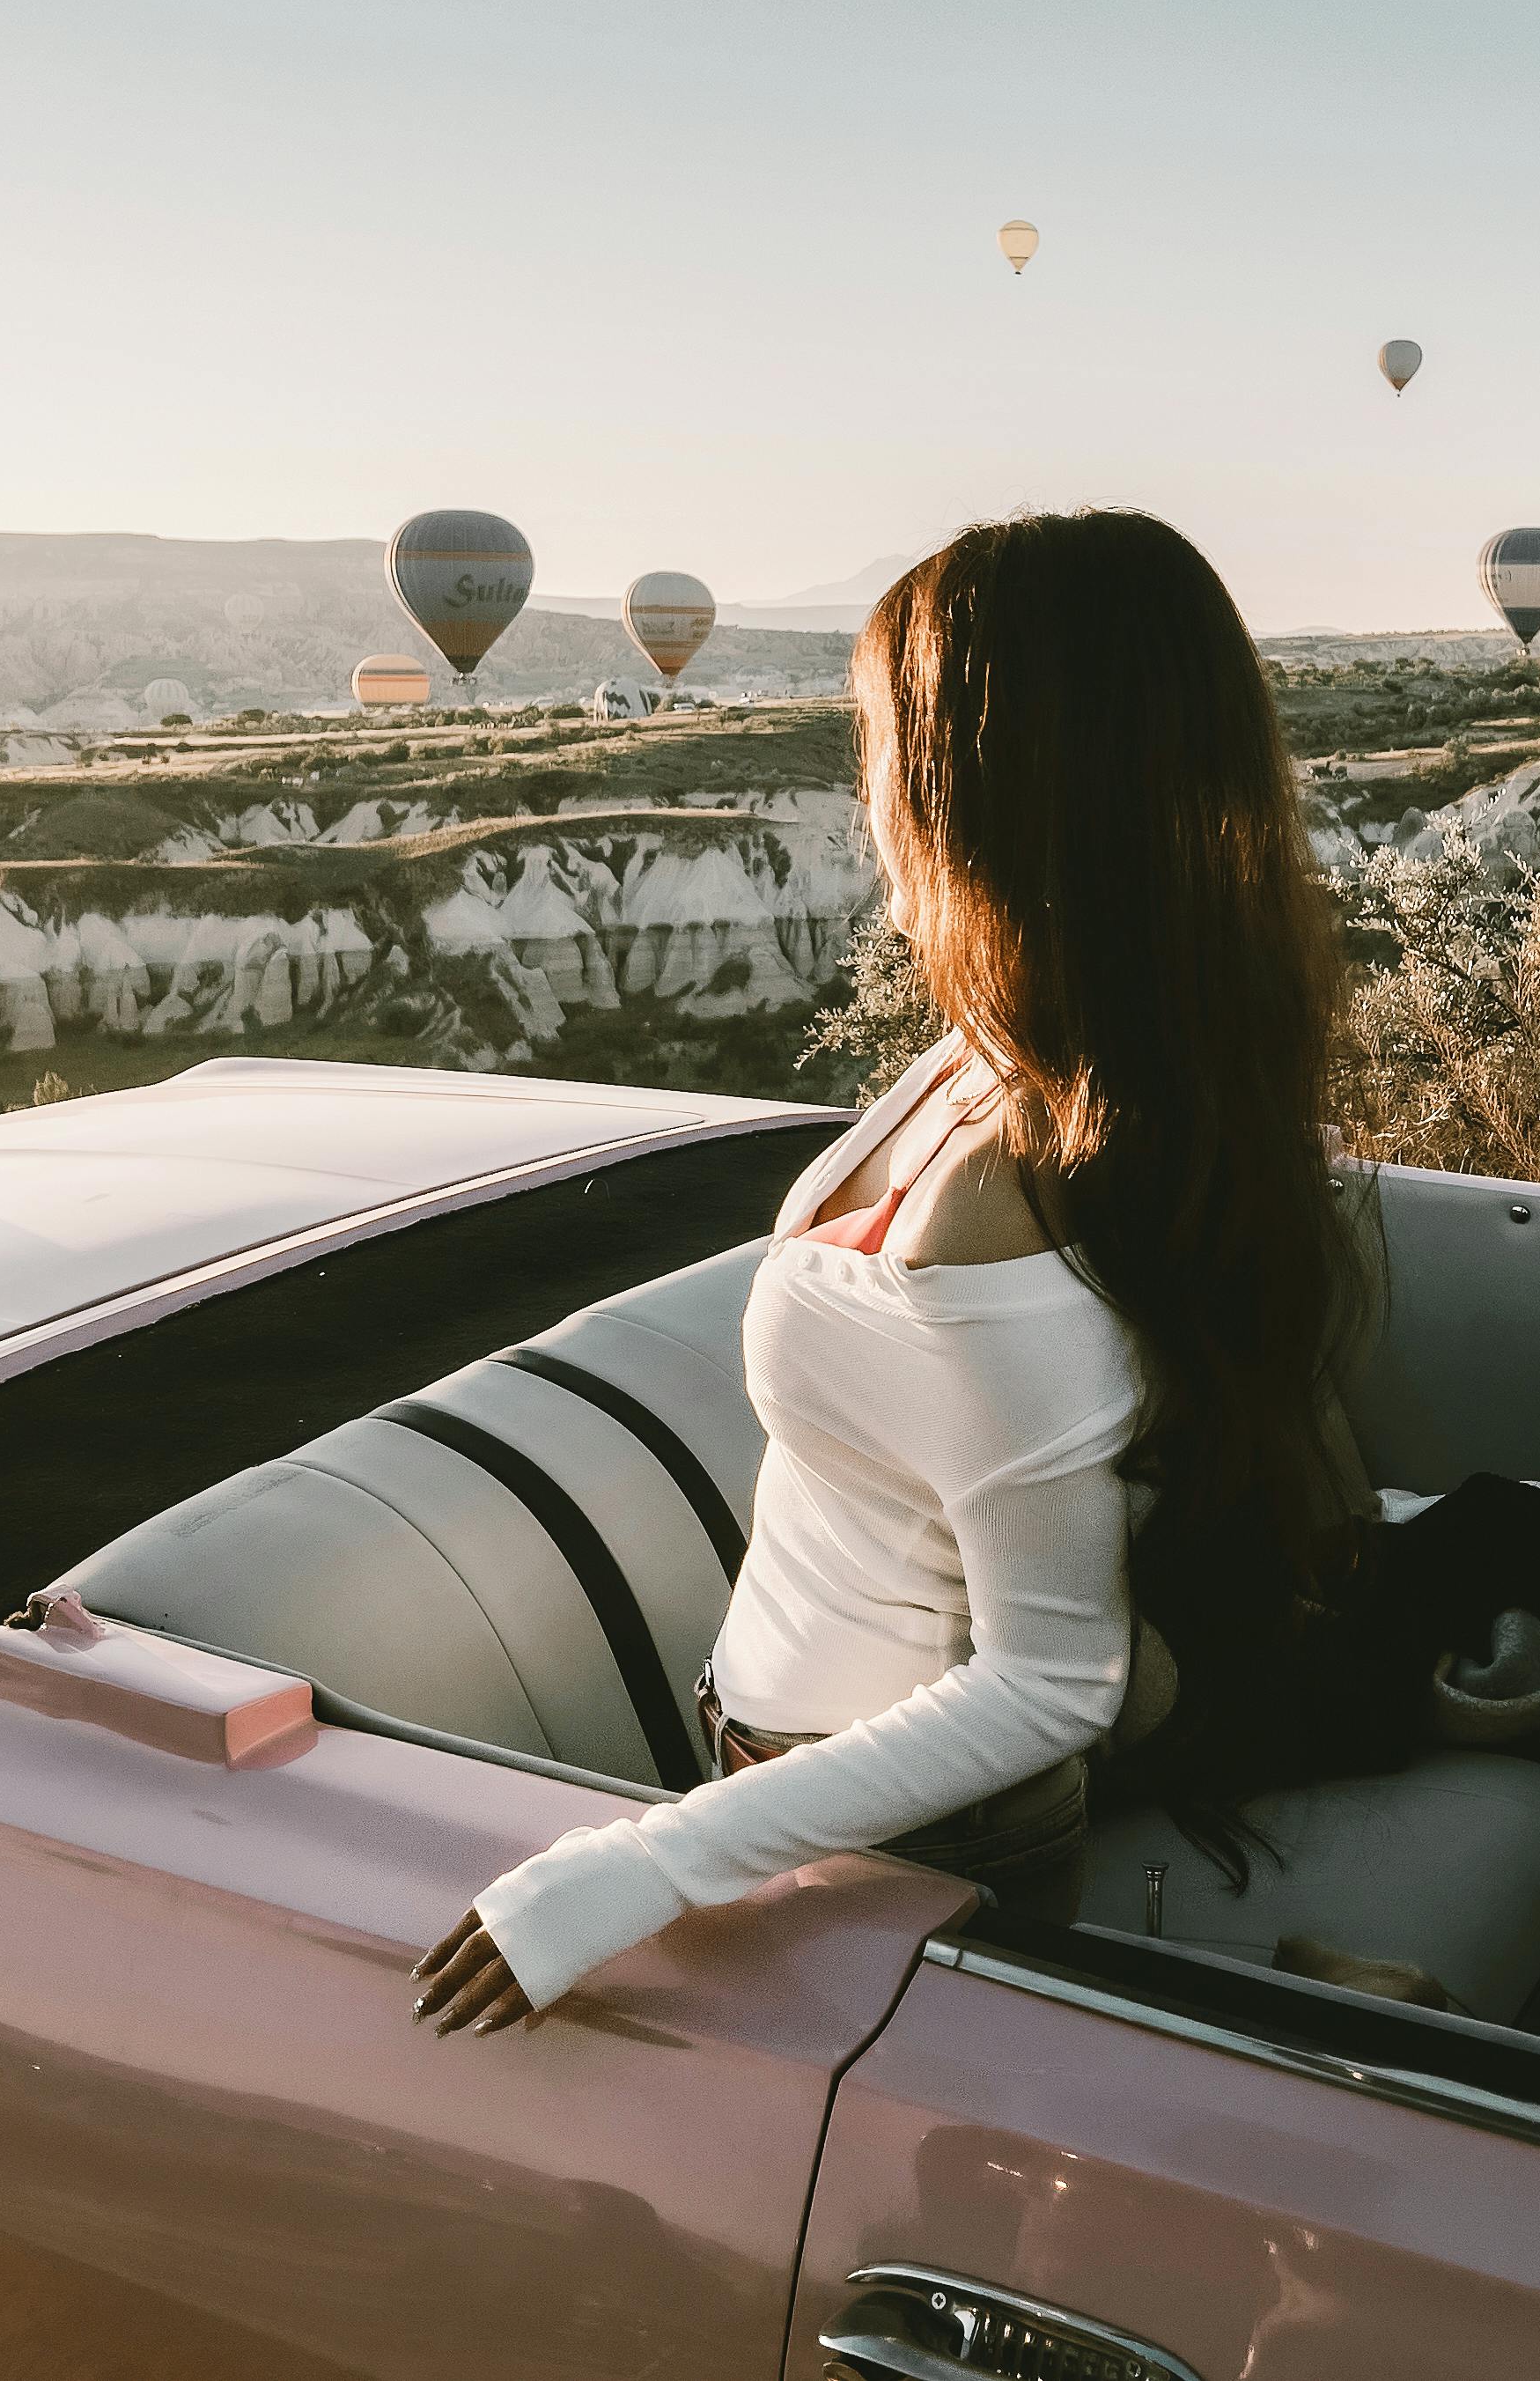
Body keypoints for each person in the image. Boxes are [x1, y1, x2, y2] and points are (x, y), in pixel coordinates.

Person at [414, 509, 1362, 2034]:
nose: (864, 787)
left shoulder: (1003, 1198)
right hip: (794, 1760)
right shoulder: (1002, 1057)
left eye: (882, 739)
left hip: (902, 1828)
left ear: (977, 782)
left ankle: (1322, 2011)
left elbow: (1054, 1683)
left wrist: (639, 1870)